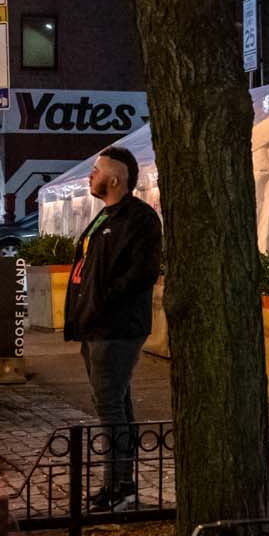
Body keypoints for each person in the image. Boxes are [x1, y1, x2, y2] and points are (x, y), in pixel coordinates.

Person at [65, 145, 162, 512]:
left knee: (109, 406)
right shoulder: (104, 217)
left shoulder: (138, 219)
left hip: (116, 327)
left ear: (116, 179)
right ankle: (120, 483)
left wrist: (104, 301)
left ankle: (119, 487)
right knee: (115, 403)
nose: (91, 175)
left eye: (97, 169)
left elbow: (141, 273)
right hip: (95, 325)